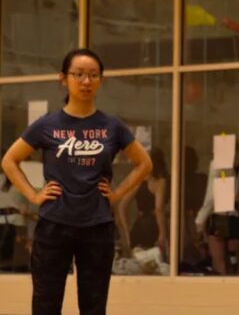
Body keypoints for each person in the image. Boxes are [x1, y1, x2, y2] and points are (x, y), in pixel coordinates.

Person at [0, 48, 153, 315]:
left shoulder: (111, 126)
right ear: (63, 78)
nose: (86, 81)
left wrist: (116, 195)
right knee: (46, 305)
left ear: (100, 81)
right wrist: (34, 195)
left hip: (97, 227)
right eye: (79, 74)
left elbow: (145, 164)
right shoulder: (47, 124)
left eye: (93, 75)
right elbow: (9, 161)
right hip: (53, 226)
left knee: (93, 307)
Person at [195, 141, 239, 275]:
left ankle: (221, 293)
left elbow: (211, 196)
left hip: (218, 217)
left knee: (219, 263)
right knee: (233, 263)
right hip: (235, 218)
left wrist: (199, 220)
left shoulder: (216, 165)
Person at [115, 146, 168, 259]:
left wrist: (127, 232)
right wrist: (162, 234)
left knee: (140, 265)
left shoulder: (138, 181)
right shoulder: (160, 182)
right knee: (156, 265)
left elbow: (121, 206)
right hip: (153, 226)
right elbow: (159, 210)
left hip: (139, 226)